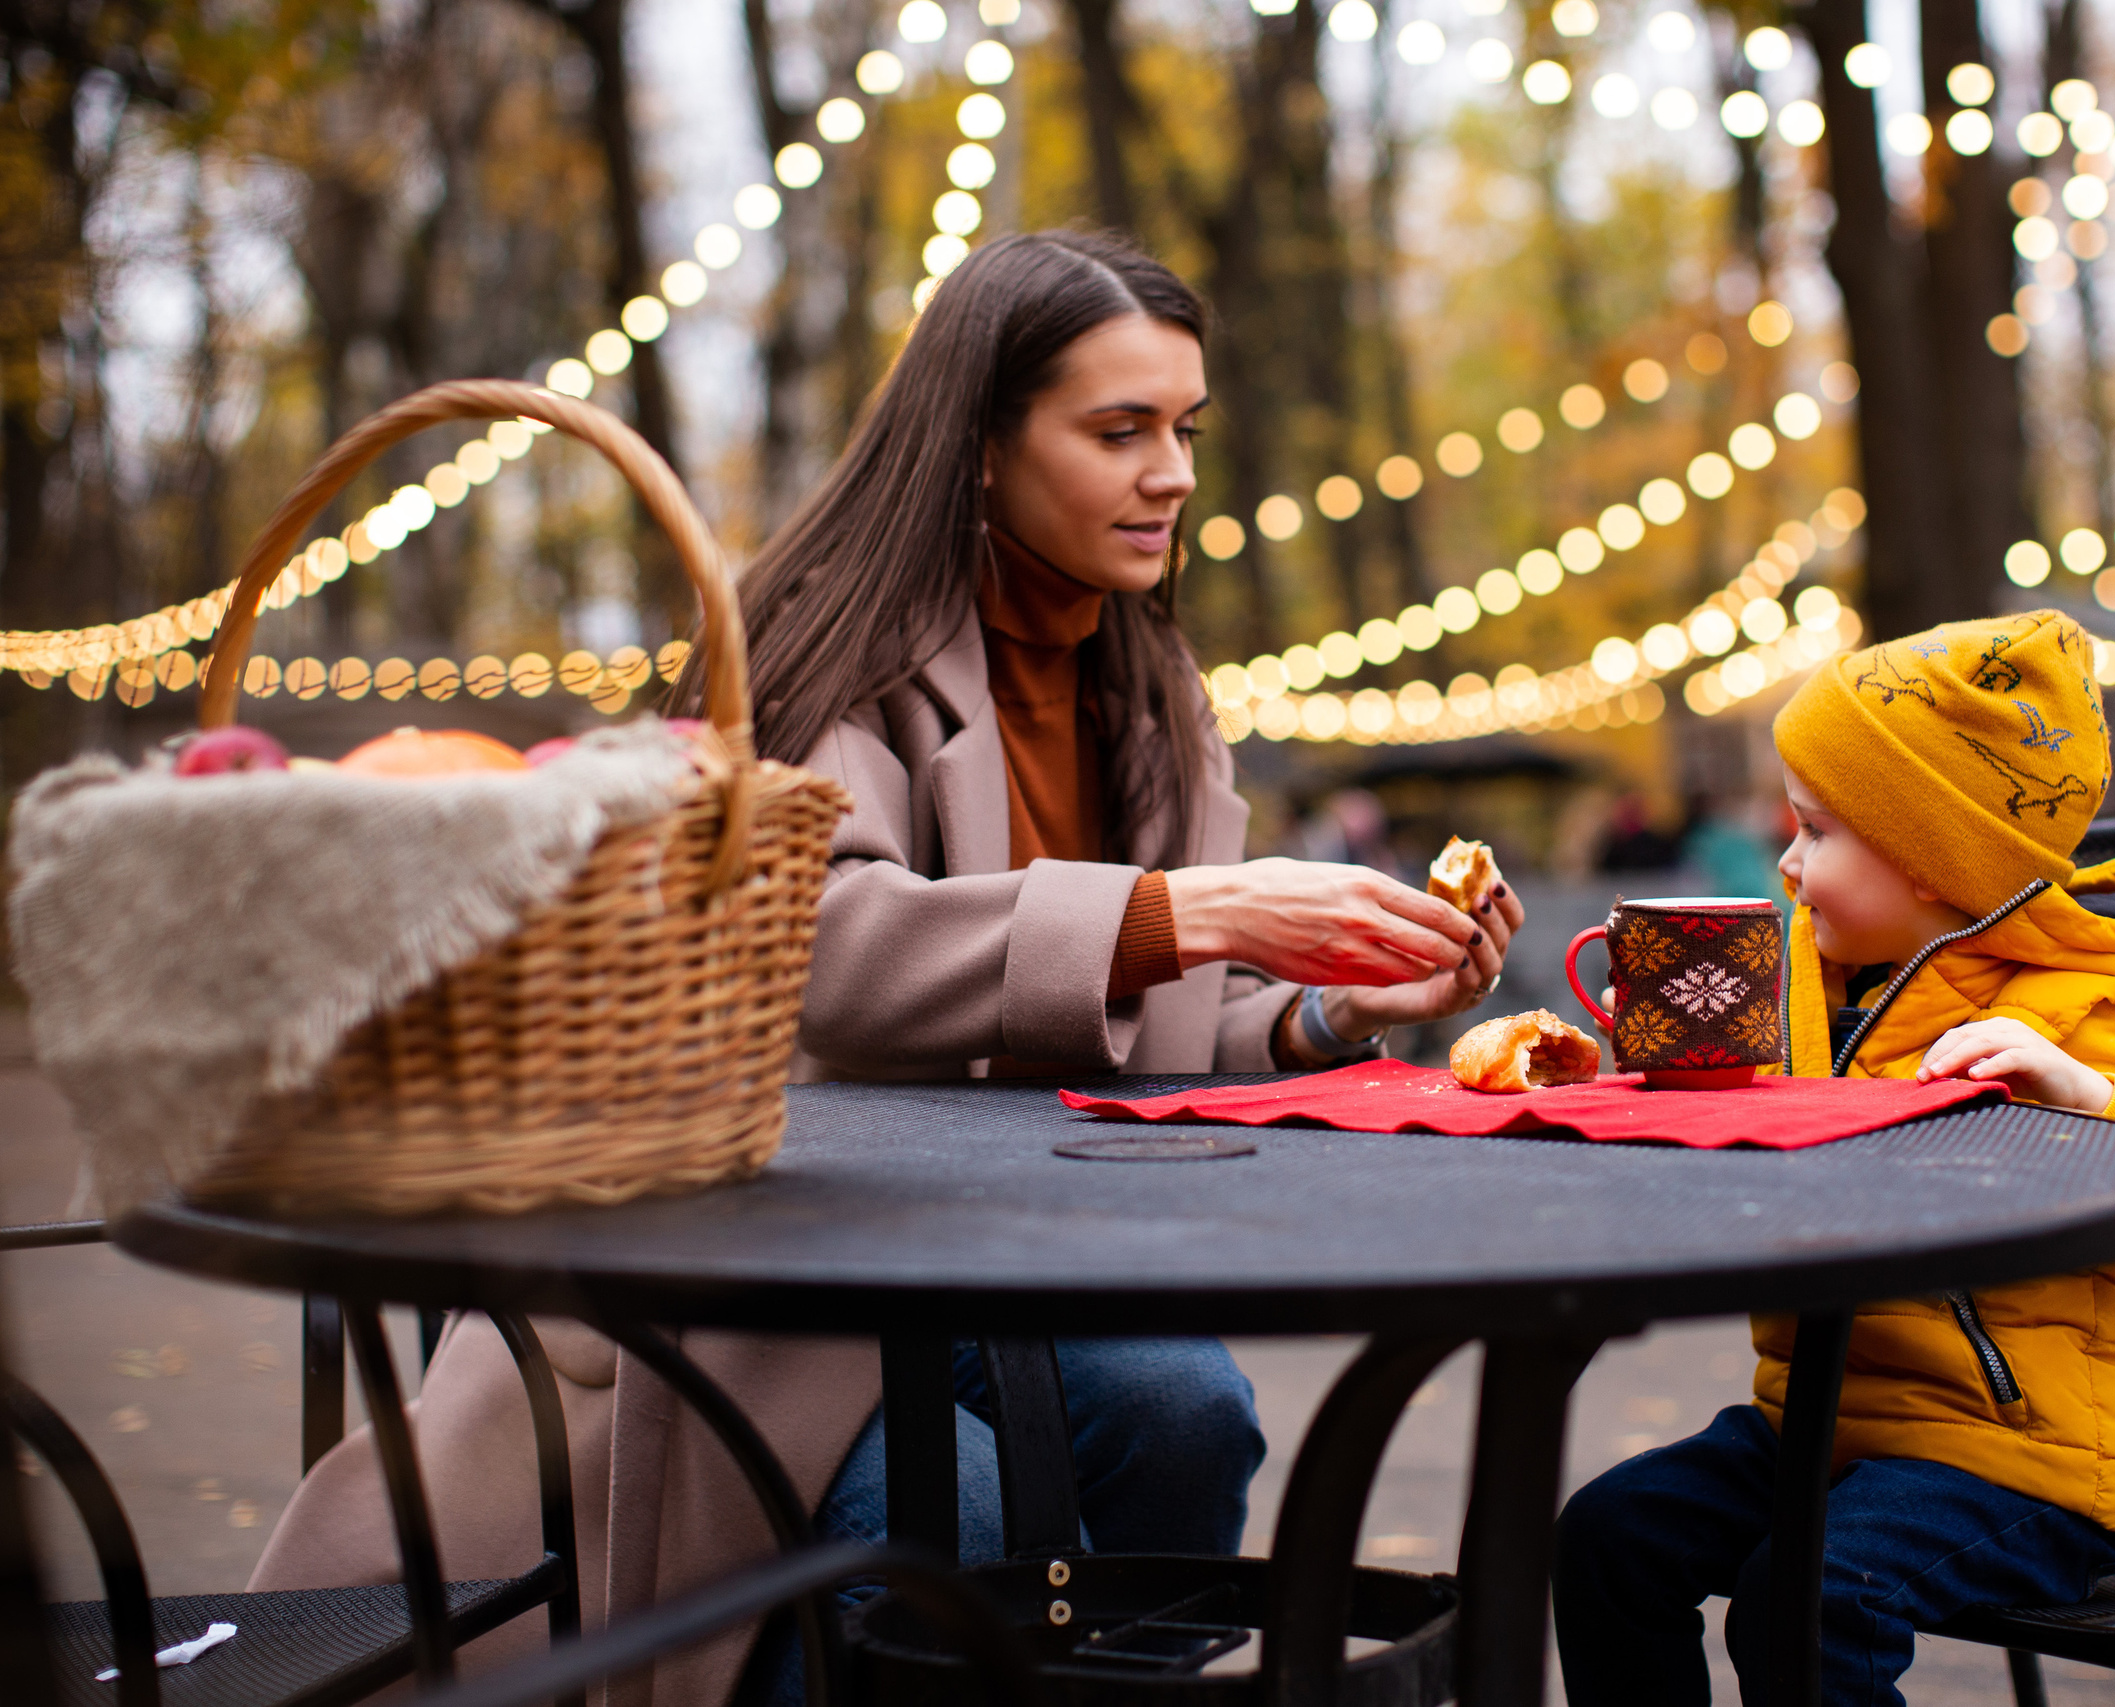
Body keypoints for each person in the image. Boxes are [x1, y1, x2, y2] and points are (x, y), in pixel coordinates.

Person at [246, 231, 1526, 1707]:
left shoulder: (1151, 689)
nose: (1172, 472)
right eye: (1119, 430)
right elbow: (824, 955)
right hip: (771, 1278)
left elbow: (1154, 1040)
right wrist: (1192, 909)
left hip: (1018, 1255)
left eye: (1185, 428)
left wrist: (1325, 1011)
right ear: (981, 445)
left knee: (1188, 1413)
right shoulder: (819, 645)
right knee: (952, 1513)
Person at [1551, 611, 2115, 1707]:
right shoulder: (1813, 984)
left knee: (1804, 1598)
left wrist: (2084, 1095)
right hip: (1822, 1427)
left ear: (1932, 860)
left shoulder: (2092, 1013)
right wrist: (1659, 1066)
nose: (1787, 863)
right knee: (1610, 1537)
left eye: (1815, 831)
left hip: (2028, 1461)